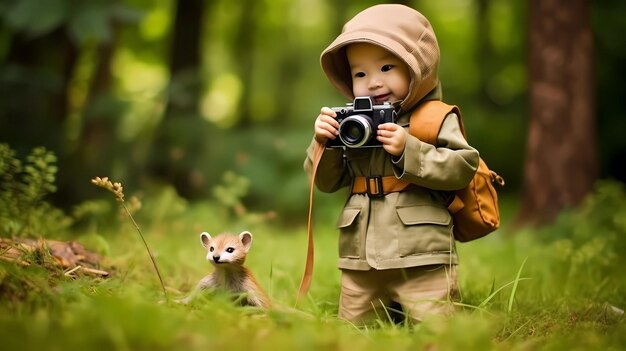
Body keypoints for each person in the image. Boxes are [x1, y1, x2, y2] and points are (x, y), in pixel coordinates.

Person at [304, 4, 480, 325]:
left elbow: (463, 166)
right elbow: (327, 183)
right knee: (354, 332)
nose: (372, 83)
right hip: (361, 260)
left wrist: (407, 149)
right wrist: (325, 144)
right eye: (360, 73)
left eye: (386, 68)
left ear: (418, 67)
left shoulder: (434, 117)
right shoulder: (352, 123)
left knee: (437, 327)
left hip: (421, 255)